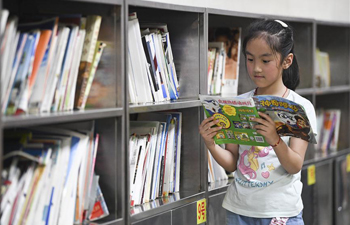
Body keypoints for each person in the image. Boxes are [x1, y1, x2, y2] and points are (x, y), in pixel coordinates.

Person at [199, 19, 317, 225]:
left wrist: (275, 140)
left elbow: (295, 165)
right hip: (238, 210)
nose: (256, 68)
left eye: (265, 60)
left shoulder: (300, 107)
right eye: (250, 59)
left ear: (287, 61)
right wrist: (211, 145)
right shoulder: (238, 104)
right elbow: (233, 163)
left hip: (281, 212)